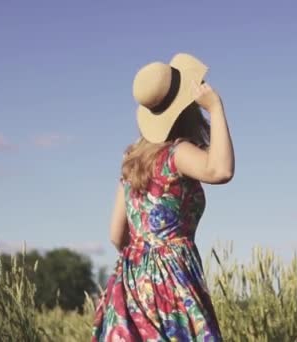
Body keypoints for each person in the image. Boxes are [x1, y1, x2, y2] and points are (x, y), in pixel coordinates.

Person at [92, 53, 234, 342]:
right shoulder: (176, 154)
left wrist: (142, 258)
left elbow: (116, 235)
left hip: (130, 281)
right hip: (170, 278)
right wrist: (216, 108)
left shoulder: (132, 161)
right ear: (187, 110)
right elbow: (220, 170)